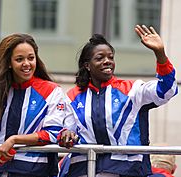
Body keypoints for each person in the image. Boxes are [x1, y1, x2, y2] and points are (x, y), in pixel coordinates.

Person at [58, 25, 178, 176]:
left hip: (125, 169)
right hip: (83, 169)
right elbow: (67, 129)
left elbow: (167, 90)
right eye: (100, 58)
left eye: (110, 57)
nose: (107, 61)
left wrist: (160, 54)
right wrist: (66, 135)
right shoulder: (73, 96)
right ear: (87, 65)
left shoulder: (133, 90)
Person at [0, 33, 66, 177]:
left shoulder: (51, 91)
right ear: (9, 63)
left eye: (31, 58)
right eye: (19, 59)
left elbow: (52, 134)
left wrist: (14, 140)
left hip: (33, 171)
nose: (27, 64)